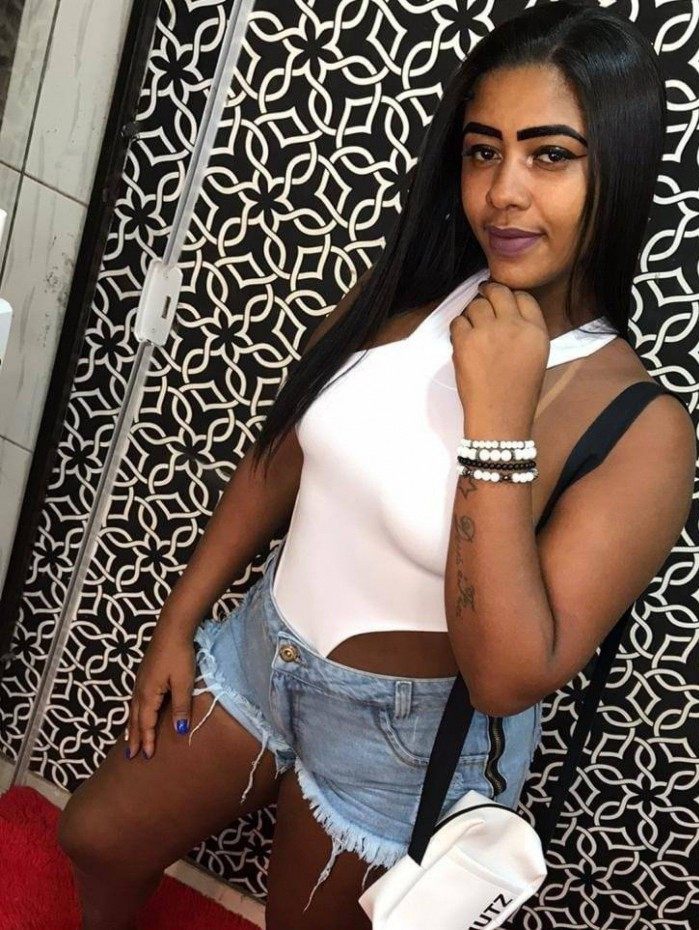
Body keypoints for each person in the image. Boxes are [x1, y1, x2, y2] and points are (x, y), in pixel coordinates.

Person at [57, 4, 695, 929]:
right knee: (97, 836)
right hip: (262, 652)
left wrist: (499, 420)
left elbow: (507, 678)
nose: (503, 192)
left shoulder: (641, 430)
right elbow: (280, 461)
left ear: (620, 168)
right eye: (482, 151)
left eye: (550, 156)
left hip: (400, 745)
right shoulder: (408, 292)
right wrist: (178, 622)